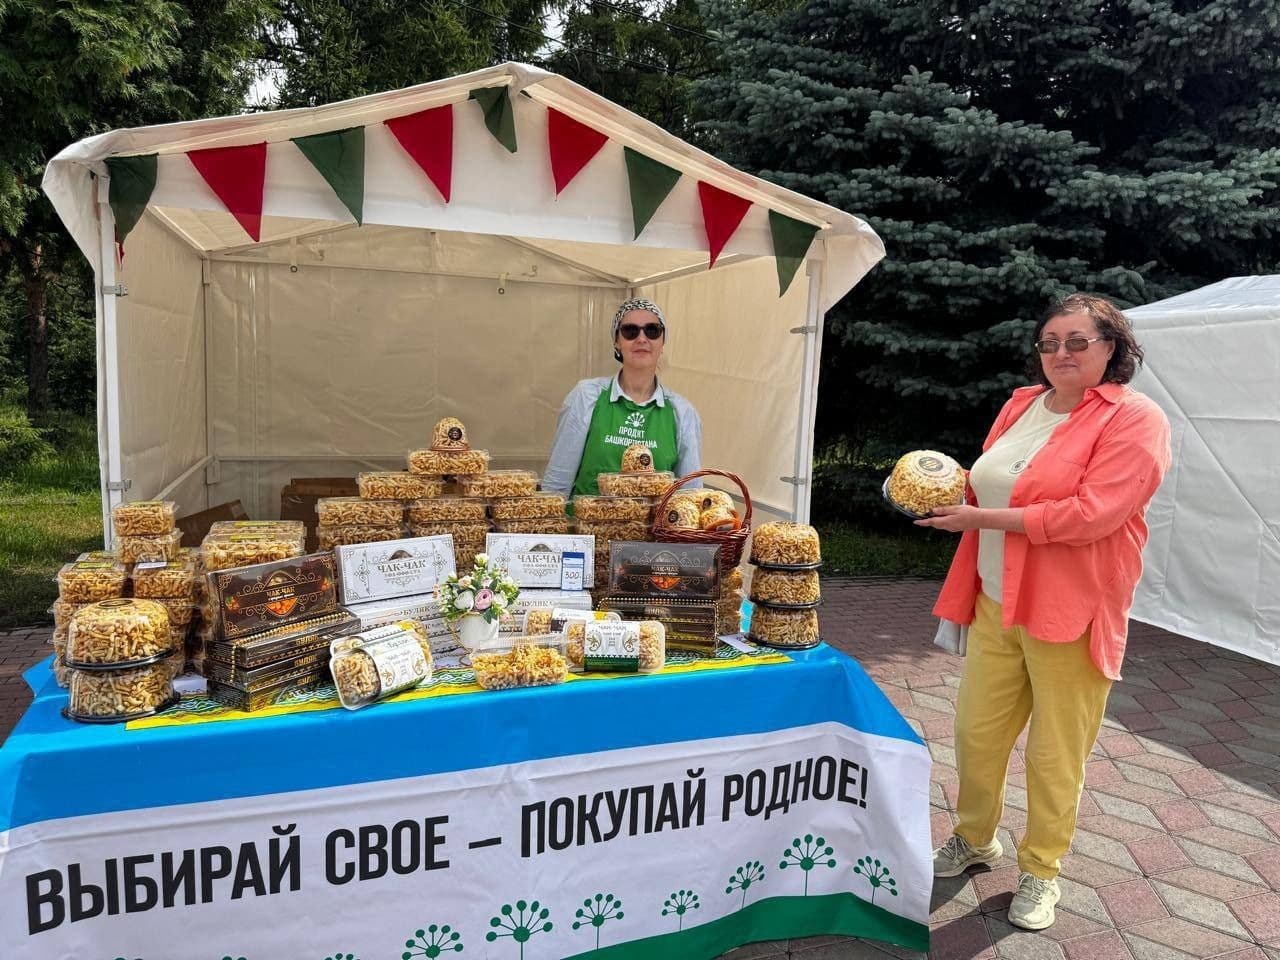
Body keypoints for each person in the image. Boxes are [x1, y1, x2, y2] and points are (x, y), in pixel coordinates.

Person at [917, 293, 1171, 931]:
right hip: (994, 599)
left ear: (1112, 349)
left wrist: (981, 517)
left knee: (1056, 754)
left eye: (1077, 341)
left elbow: (1093, 515)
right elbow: (988, 480)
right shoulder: (1021, 404)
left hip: (1071, 611)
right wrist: (934, 486)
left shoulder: (1135, 419)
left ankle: (1041, 871)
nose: (1061, 353)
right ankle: (975, 839)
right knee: (976, 734)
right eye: (1050, 342)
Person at [543, 298, 702, 497]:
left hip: (652, 529)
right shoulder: (586, 396)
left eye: (652, 330)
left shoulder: (682, 412)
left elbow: (690, 495)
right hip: (588, 526)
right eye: (630, 331)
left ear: (662, 342)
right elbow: (557, 485)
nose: (642, 338)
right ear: (617, 342)